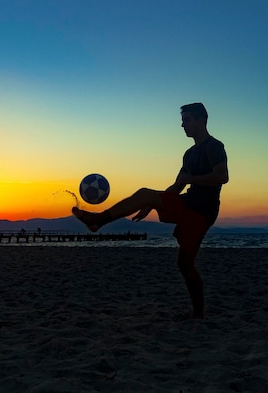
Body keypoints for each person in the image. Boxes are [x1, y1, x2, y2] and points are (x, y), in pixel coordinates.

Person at [72, 102, 228, 319]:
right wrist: (151, 203)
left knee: (185, 263)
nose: (183, 125)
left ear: (201, 120)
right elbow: (177, 187)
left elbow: (222, 177)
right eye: (182, 121)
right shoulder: (189, 154)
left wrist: (191, 179)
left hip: (202, 211)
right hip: (186, 202)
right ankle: (98, 220)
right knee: (145, 193)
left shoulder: (214, 146)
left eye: (187, 120)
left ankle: (198, 313)